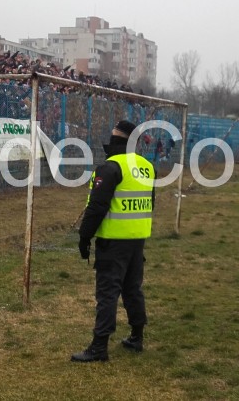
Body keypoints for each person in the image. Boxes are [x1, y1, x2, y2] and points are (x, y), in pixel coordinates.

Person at [73, 120, 155, 362]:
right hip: (137, 238)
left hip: (113, 242)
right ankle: (137, 337)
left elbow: (97, 207)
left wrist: (84, 237)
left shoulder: (110, 167)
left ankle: (99, 347)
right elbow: (150, 203)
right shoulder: (147, 167)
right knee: (132, 289)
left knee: (108, 293)